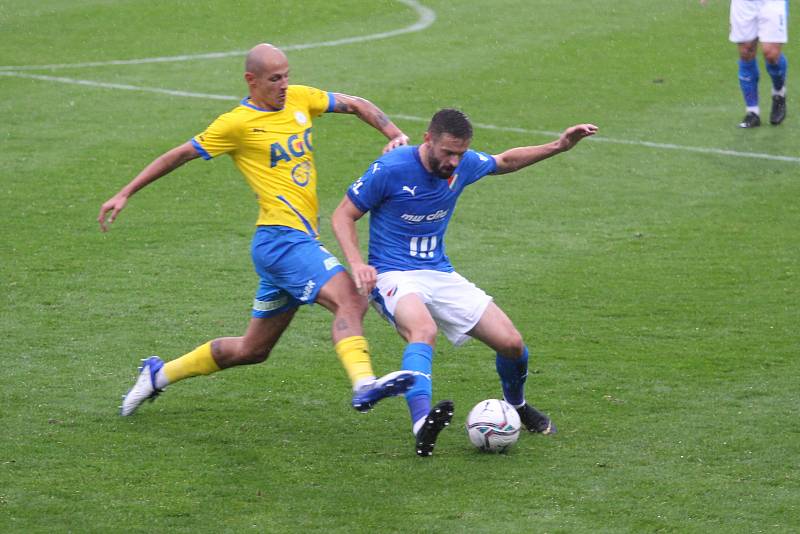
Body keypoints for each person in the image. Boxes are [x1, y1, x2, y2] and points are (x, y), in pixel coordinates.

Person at [99, 43, 415, 417]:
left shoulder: (300, 99)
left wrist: (394, 136)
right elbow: (178, 155)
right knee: (352, 298)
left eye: (287, 76)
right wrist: (125, 192)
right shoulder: (235, 124)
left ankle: (158, 374)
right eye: (274, 78)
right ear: (251, 80)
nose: (284, 85)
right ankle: (364, 384)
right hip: (282, 240)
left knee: (252, 350)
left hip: (286, 246)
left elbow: (357, 104)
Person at [331, 108, 597, 456]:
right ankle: (421, 423)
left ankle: (516, 406)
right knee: (423, 330)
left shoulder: (464, 164)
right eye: (448, 152)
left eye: (460, 153)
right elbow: (343, 214)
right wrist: (356, 264)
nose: (454, 161)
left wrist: (559, 145)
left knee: (512, 344)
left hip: (439, 272)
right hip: (392, 273)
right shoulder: (391, 168)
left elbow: (505, 161)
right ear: (428, 139)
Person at [701, 0, 789, 128]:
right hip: (744, 4)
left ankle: (779, 92)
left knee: (771, 55)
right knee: (746, 51)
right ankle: (752, 112)